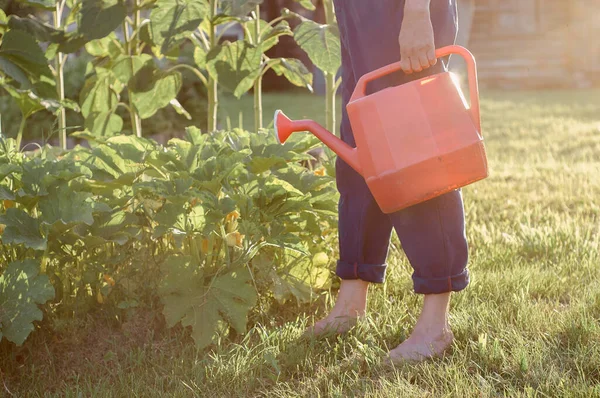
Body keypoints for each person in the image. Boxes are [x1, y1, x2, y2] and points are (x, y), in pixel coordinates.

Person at [306, 0, 469, 363]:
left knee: (417, 156)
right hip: (357, 11)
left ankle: (434, 325)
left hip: (399, 10)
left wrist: (415, 13)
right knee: (360, 151)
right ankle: (351, 302)